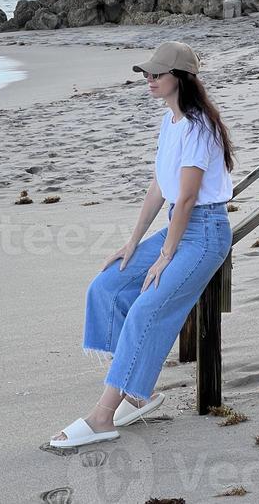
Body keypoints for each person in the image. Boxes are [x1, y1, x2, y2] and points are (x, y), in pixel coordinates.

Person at [50, 41, 236, 448]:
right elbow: (160, 187)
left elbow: (187, 198)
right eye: (146, 74)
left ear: (181, 79)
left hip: (203, 236)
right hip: (179, 227)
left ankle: (103, 415)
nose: (149, 80)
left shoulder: (199, 127)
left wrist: (165, 256)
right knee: (107, 286)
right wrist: (132, 243)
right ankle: (136, 390)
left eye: (156, 74)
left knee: (146, 306)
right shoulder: (171, 123)